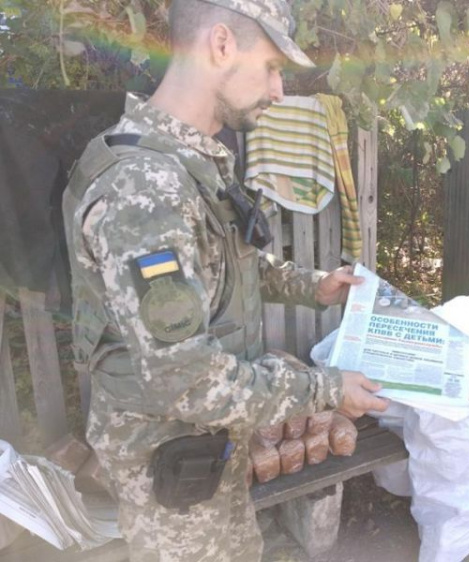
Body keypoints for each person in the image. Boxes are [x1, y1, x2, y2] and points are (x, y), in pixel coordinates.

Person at [61, 1, 388, 560]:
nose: (279, 91)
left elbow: (227, 266)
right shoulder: (144, 190)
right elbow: (187, 380)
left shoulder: (190, 161)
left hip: (209, 453)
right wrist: (327, 391)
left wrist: (313, 285)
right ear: (221, 45)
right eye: (272, 67)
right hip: (173, 475)